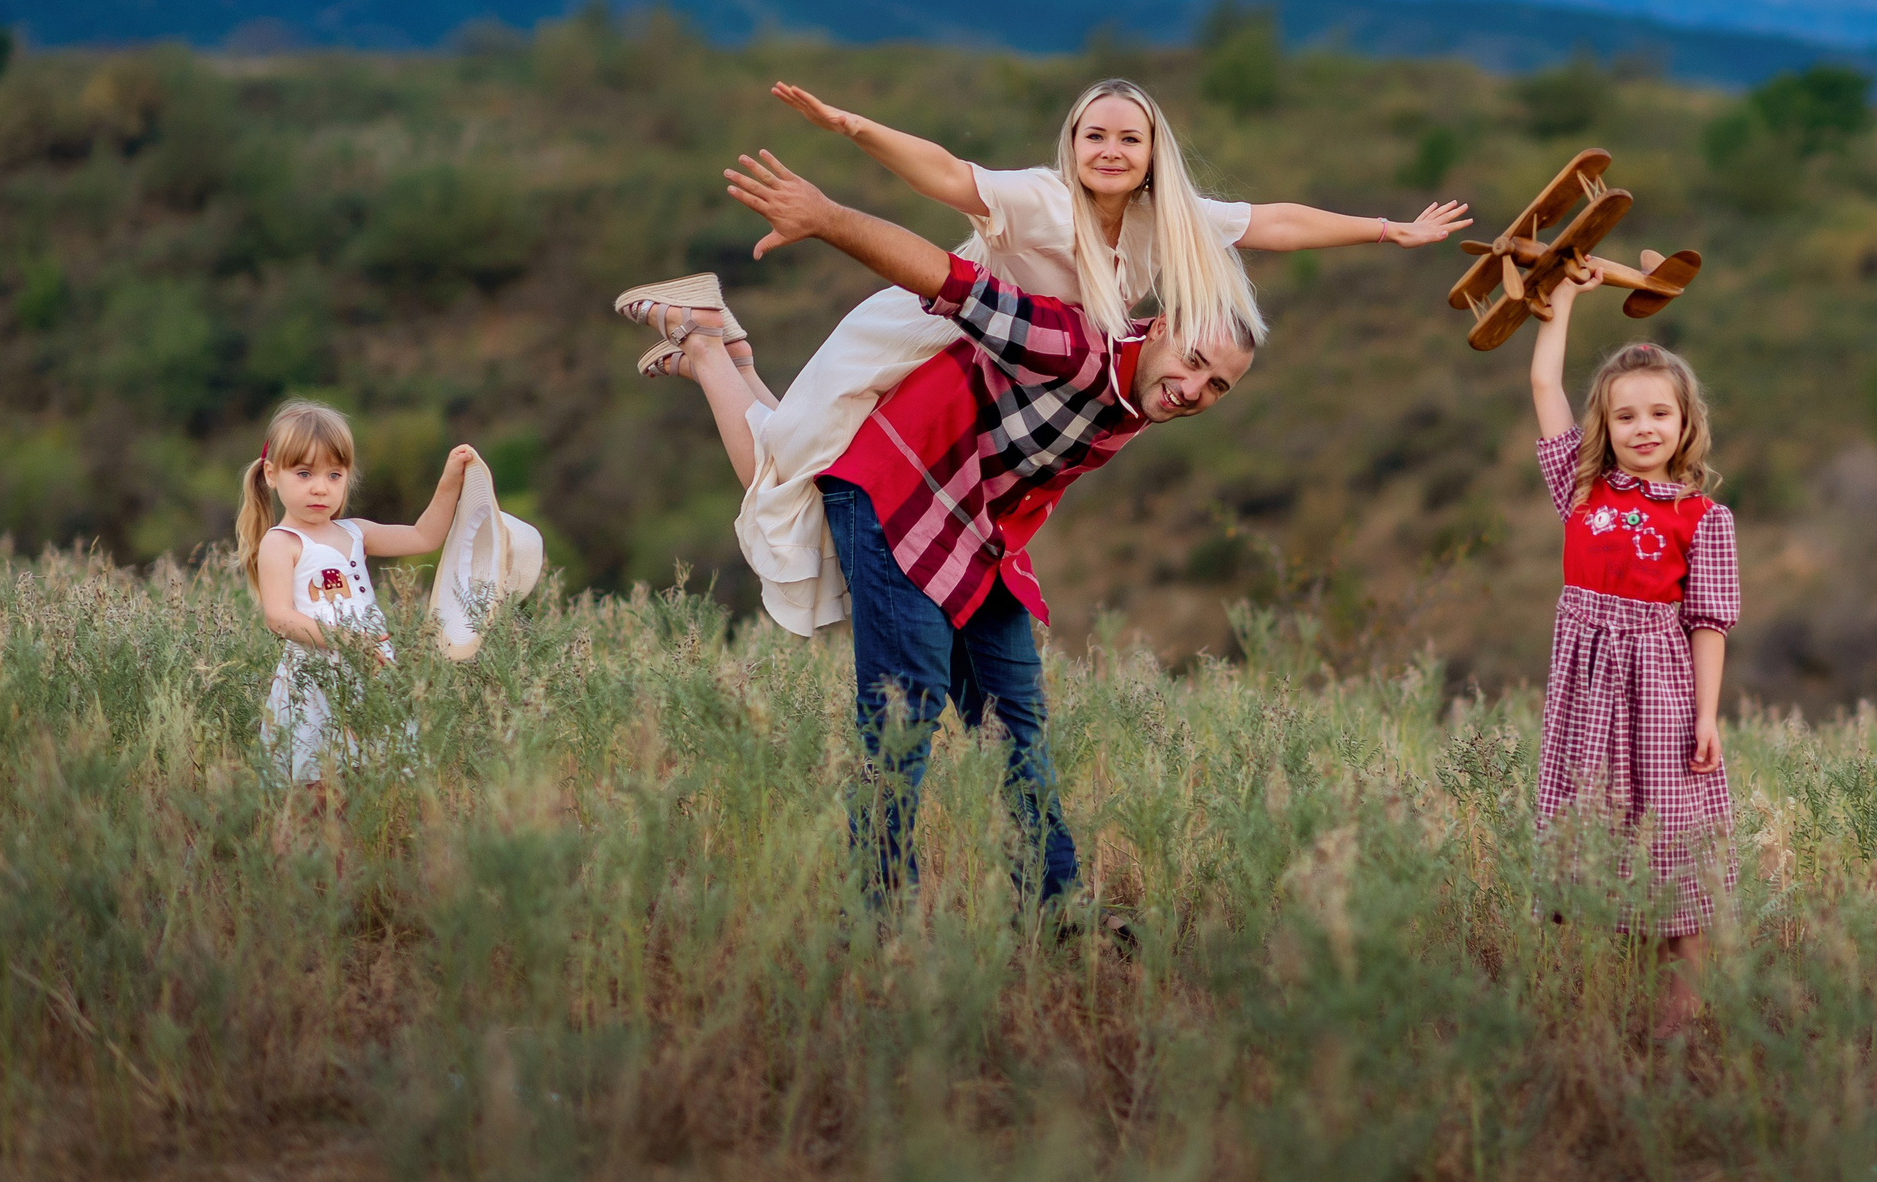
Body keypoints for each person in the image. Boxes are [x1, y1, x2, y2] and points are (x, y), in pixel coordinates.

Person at [615, 76, 1468, 636]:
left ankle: (719, 343)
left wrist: (1389, 229)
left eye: (1129, 140)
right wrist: (851, 126)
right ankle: (710, 346)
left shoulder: (1166, 220)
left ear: (1150, 155)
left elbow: (1275, 222)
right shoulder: (1038, 198)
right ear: (1073, 142)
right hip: (928, 333)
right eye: (1095, 134)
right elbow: (946, 174)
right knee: (787, 465)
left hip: (1006, 374)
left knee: (803, 470)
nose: (1110, 150)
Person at [669, 144, 1257, 917]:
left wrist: (1386, 231)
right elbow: (950, 282)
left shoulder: (1144, 392)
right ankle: (875, 917)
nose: (1197, 389)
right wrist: (826, 216)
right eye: (1197, 361)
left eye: (1218, 386)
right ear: (1163, 326)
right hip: (898, 486)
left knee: (1013, 720)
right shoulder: (1077, 344)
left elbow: (1261, 223)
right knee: (902, 711)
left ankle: (1054, 907)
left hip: (977, 534)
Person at [1527, 273, 1740, 1035]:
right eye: (1625, 416)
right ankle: (1600, 1013)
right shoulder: (1582, 490)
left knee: (1670, 835)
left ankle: (1683, 1019)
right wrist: (1564, 304)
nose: (1642, 427)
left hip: (1661, 690)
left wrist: (1707, 715)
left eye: (1659, 413)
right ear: (1605, 426)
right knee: (1599, 833)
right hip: (1587, 697)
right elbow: (1543, 379)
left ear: (1685, 423)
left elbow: (1709, 622)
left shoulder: (1703, 517)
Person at [235, 399, 480, 786]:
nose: (321, 487)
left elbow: (423, 535)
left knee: (378, 774)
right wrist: (346, 641)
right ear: (271, 474)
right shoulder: (281, 543)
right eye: (304, 473)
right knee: (315, 780)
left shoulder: (355, 532)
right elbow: (278, 617)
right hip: (315, 676)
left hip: (371, 670)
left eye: (334, 475)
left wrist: (450, 480)